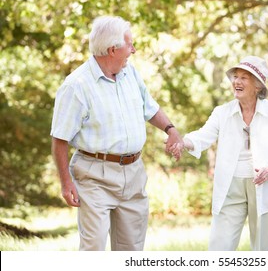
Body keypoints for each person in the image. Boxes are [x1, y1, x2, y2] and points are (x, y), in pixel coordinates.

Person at [51, 15, 183, 251]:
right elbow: (60, 138)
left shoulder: (129, 73)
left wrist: (170, 129)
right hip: (94, 175)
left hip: (133, 173)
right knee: (94, 249)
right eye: (129, 44)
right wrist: (65, 182)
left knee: (131, 250)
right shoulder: (77, 86)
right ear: (112, 49)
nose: (133, 50)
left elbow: (149, 107)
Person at [172, 56, 268, 251]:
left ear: (258, 85)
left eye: (244, 77)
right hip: (231, 184)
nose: (236, 81)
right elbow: (204, 135)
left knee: (264, 248)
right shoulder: (222, 112)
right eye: (235, 77)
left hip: (266, 184)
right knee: (219, 246)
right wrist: (182, 142)